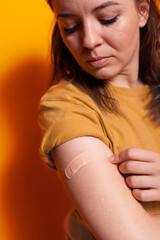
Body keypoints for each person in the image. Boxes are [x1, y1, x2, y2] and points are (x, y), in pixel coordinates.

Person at [38, 0, 160, 239]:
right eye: (70, 27)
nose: (89, 41)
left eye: (107, 18)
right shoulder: (64, 106)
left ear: (142, 11)